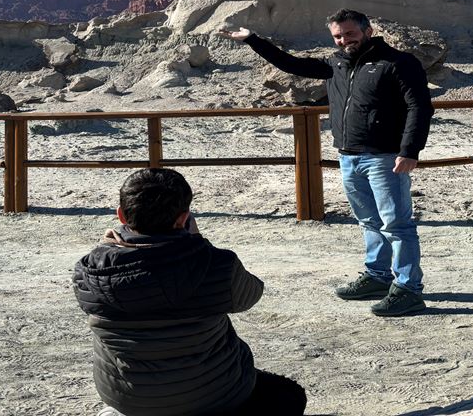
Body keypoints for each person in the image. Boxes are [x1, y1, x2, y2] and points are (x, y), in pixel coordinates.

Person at [220, 8, 434, 317]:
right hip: (348, 156)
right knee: (369, 222)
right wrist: (254, 40)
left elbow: (419, 108)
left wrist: (410, 151)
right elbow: (291, 64)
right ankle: (377, 276)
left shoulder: (398, 62)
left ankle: (409, 289)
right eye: (338, 36)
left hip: (385, 157)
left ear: (368, 30)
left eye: (350, 34)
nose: (344, 40)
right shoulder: (336, 64)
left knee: (397, 225)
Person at [73, 167, 307, 416]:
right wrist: (198, 244)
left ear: (121, 215)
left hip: (126, 397)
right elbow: (252, 294)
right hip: (216, 393)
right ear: (183, 218)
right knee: (289, 395)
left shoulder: (88, 273)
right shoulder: (218, 265)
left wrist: (105, 250)